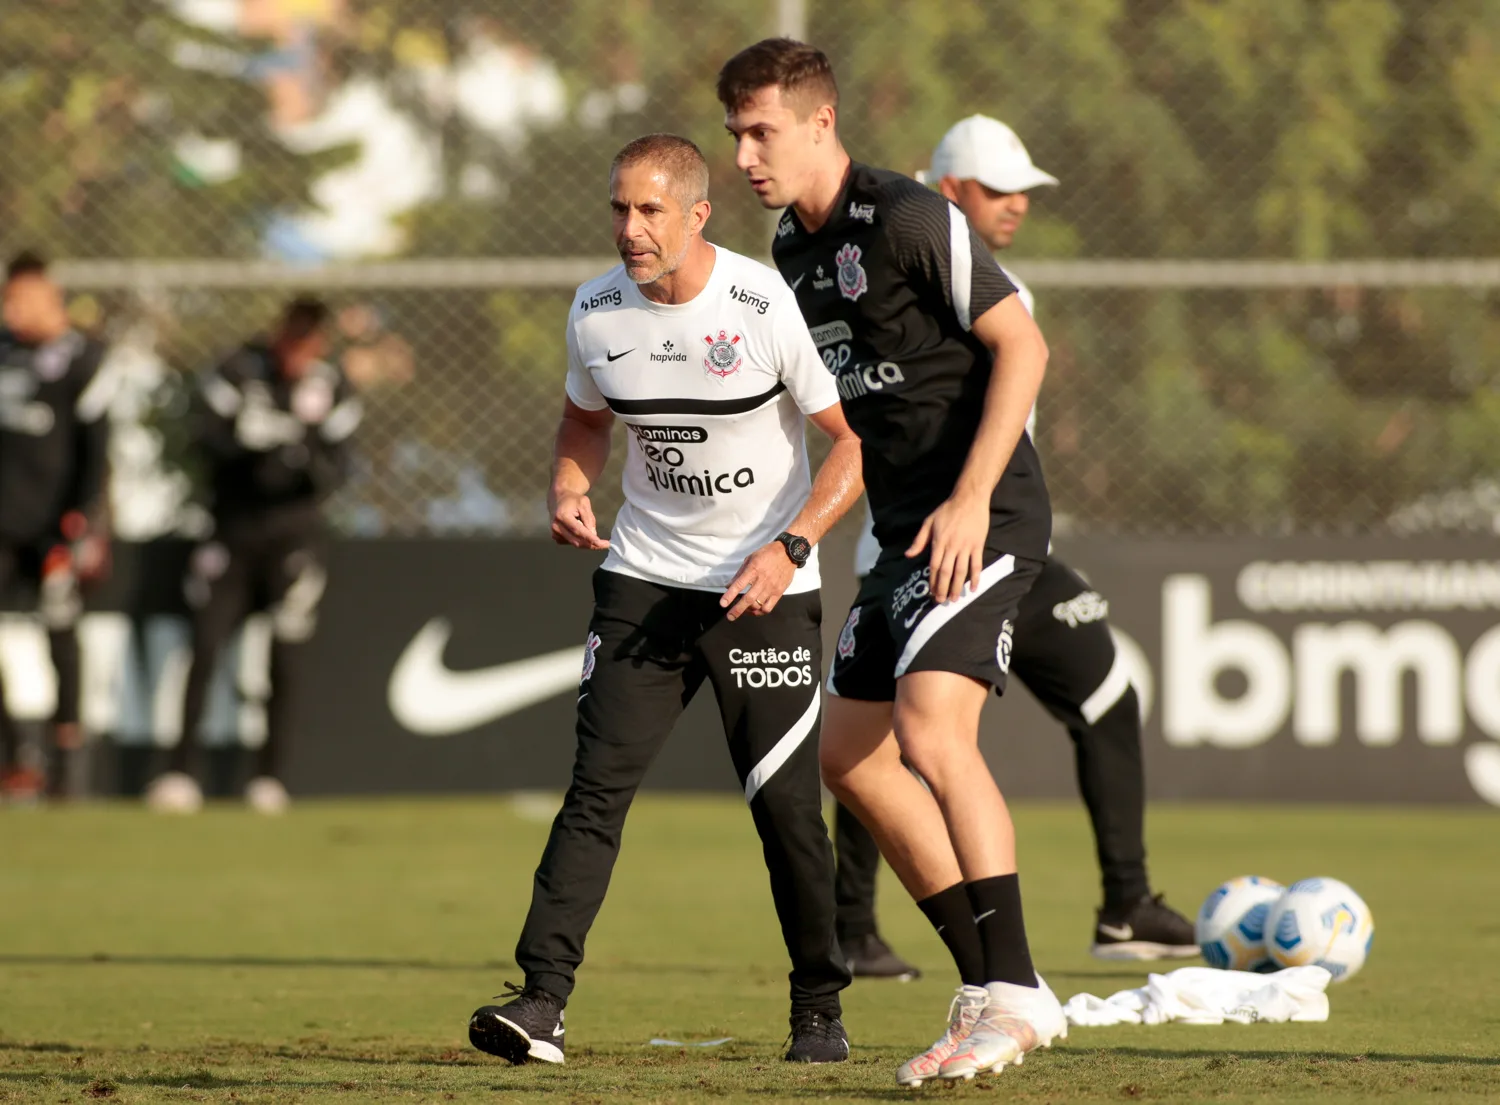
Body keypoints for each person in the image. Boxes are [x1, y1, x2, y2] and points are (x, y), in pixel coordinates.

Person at [466, 133, 863, 1067]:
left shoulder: (765, 304)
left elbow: (853, 445)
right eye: (618, 208)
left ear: (696, 214)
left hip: (763, 590)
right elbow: (584, 415)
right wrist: (570, 484)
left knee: (786, 811)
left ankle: (818, 1007)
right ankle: (541, 1002)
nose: (630, 229)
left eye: (649, 210)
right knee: (595, 793)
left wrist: (790, 546)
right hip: (643, 581)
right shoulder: (596, 310)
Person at [719, 40, 1063, 1086]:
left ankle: (1012, 993)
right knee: (850, 756)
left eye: (761, 131)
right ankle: (988, 984)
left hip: (985, 512)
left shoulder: (909, 215)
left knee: (931, 726)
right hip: (902, 524)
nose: (743, 155)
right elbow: (849, 414)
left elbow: (1025, 347)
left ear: (820, 124)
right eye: (735, 133)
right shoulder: (789, 248)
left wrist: (968, 496)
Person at [832, 116, 1196, 975]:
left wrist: (975, 503)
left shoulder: (992, 287)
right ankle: (900, 939)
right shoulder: (905, 260)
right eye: (1001, 190)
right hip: (931, 546)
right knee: (876, 744)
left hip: (991, 540)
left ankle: (1115, 908)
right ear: (948, 191)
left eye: (1026, 191)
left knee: (1093, 694)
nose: (1019, 206)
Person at [145, 296, 360, 815]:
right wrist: (247, 442)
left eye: (309, 347)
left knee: (284, 657)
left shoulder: (331, 388)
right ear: (279, 334)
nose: (298, 357)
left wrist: (295, 446)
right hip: (232, 532)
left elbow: (337, 470)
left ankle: (269, 778)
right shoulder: (237, 370)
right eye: (292, 343)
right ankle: (180, 774)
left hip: (294, 538)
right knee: (205, 646)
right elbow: (203, 440)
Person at [0, 251, 113, 801]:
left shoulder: (84, 360)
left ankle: (67, 759)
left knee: (61, 636)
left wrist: (76, 525)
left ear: (49, 298)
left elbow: (96, 453)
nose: (11, 310)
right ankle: (15, 757)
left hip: (54, 525)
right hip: (2, 521)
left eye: (21, 299)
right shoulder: (3, 354)